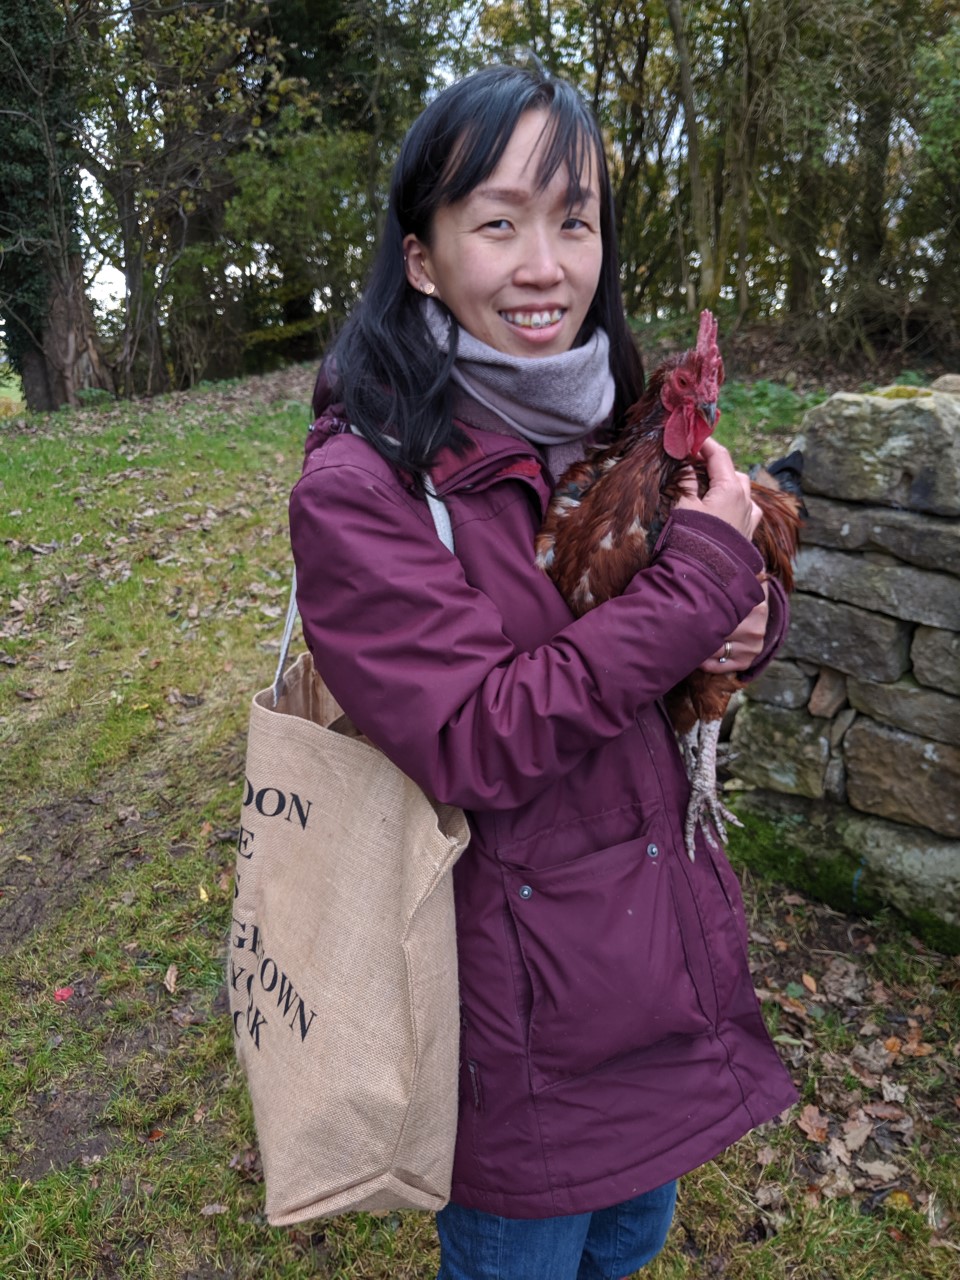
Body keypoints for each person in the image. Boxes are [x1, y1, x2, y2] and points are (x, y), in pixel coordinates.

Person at [289, 61, 798, 1280]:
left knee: (632, 1236)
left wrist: (745, 622)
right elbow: (472, 733)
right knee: (525, 1255)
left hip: (651, 952)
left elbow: (712, 600)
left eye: (573, 221)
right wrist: (698, 592)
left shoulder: (615, 410)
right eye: (499, 222)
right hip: (511, 1001)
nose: (544, 265)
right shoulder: (360, 490)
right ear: (423, 255)